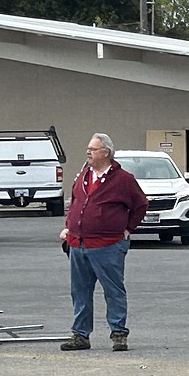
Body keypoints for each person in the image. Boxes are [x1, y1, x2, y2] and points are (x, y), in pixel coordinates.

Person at [59, 133, 148, 352]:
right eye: (88, 148)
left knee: (113, 290)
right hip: (78, 245)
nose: (88, 152)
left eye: (93, 149)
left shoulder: (123, 180)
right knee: (79, 291)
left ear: (105, 153)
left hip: (108, 246)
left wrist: (127, 229)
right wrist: (69, 227)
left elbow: (140, 205)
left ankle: (118, 333)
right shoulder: (83, 175)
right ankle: (80, 335)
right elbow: (75, 204)